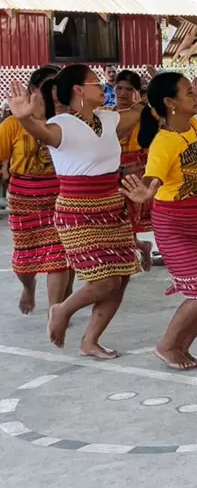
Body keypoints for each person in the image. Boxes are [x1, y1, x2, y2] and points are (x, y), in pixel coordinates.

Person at [8, 65, 146, 359]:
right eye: (96, 83)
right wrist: (24, 119)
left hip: (112, 207)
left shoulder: (108, 118)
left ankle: (90, 341)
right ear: (78, 91)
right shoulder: (62, 124)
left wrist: (149, 93)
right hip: (78, 212)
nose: (103, 88)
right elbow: (41, 131)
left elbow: (142, 113)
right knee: (104, 281)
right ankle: (62, 309)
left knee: (120, 278)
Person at [120, 73, 197, 370]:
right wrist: (146, 191)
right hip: (176, 223)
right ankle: (167, 345)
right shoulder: (164, 142)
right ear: (171, 103)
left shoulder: (195, 125)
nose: (195, 95)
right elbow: (153, 176)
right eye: (189, 92)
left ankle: (181, 347)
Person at [0, 66, 71, 315]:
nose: (54, 93)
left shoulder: (66, 121)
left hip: (59, 195)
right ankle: (28, 288)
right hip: (23, 197)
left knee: (59, 257)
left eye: (58, 87)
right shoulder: (13, 123)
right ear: (33, 90)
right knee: (24, 260)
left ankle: (56, 312)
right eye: (49, 87)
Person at [115, 70, 153, 270]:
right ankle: (141, 248)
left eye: (128, 90)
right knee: (118, 220)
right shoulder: (107, 112)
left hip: (138, 169)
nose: (122, 93)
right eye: (119, 88)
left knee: (130, 219)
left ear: (136, 92)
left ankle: (136, 252)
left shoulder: (146, 114)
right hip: (113, 170)